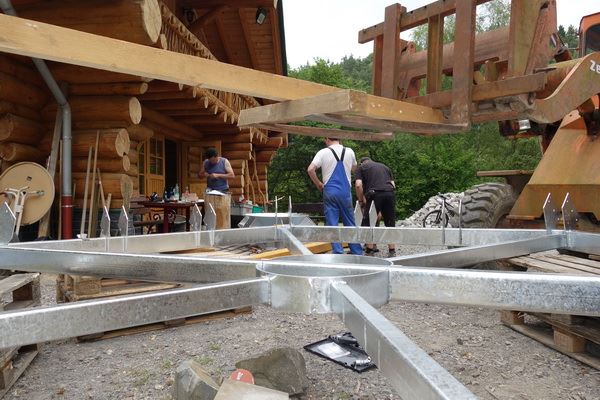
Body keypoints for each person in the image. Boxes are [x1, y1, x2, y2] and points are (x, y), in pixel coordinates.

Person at [307, 138, 362, 255]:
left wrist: (318, 184)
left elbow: (310, 169)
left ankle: (338, 251)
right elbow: (355, 169)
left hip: (330, 191)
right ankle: (357, 251)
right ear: (339, 139)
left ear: (327, 139)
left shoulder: (323, 152)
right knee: (350, 222)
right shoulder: (349, 151)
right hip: (345, 192)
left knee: (332, 222)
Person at [355, 157, 396, 257]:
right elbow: (393, 185)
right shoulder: (385, 167)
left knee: (368, 222)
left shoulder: (362, 168)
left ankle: (369, 250)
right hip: (390, 193)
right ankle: (392, 250)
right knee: (390, 222)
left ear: (362, 163)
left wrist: (361, 200)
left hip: (374, 194)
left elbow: (358, 185)